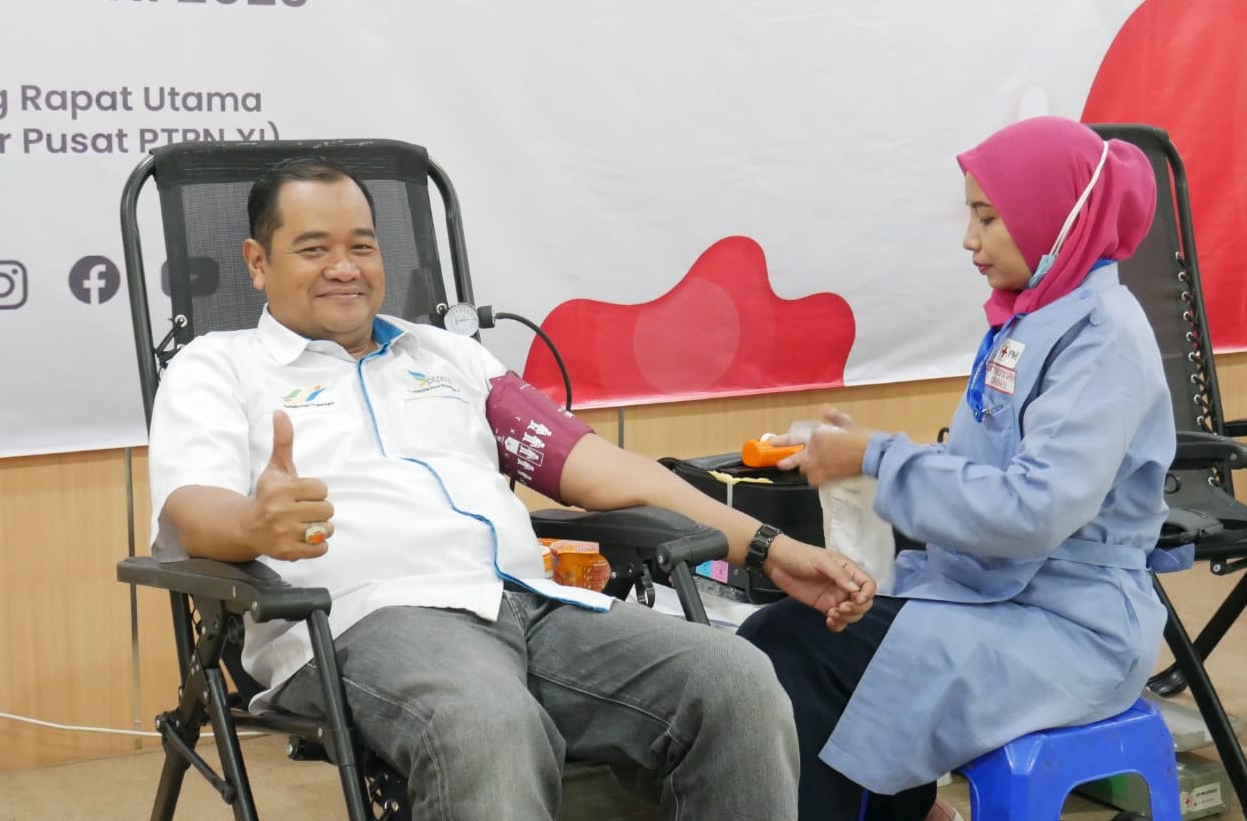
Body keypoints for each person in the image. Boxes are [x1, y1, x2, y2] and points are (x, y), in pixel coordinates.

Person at [147, 156, 877, 821]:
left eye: (362, 246)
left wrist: (769, 548)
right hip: (364, 621)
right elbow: (193, 512)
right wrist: (254, 526)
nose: (345, 268)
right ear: (257, 262)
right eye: (314, 249)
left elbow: (601, 467)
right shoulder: (217, 368)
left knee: (735, 681)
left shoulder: (449, 356)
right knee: (489, 724)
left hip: (526, 605)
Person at [737, 115, 1171, 820]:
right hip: (1002, 597)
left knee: (801, 651)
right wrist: (866, 457)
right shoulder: (1031, 320)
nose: (971, 239)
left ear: (1052, 217)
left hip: (1072, 626)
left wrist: (878, 457)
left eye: (989, 217)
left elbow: (1033, 509)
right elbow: (987, 467)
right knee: (777, 634)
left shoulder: (1103, 339)